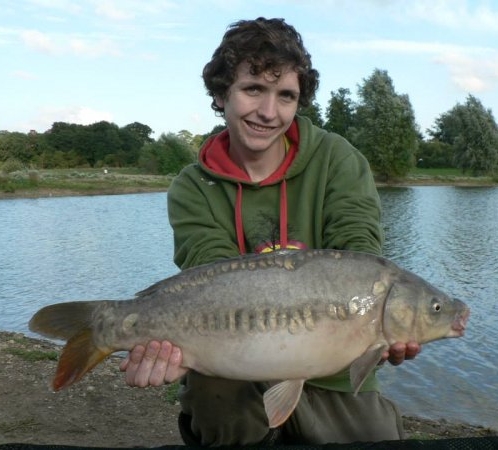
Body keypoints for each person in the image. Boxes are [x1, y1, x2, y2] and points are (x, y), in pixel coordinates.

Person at [120, 17, 421, 446]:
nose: (268, 112)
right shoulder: (192, 186)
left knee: (374, 437)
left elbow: (360, 253)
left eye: (286, 96)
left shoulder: (337, 159)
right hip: (233, 364)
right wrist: (161, 342)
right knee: (214, 397)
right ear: (222, 93)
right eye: (253, 89)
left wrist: (382, 324)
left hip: (332, 368)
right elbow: (210, 280)